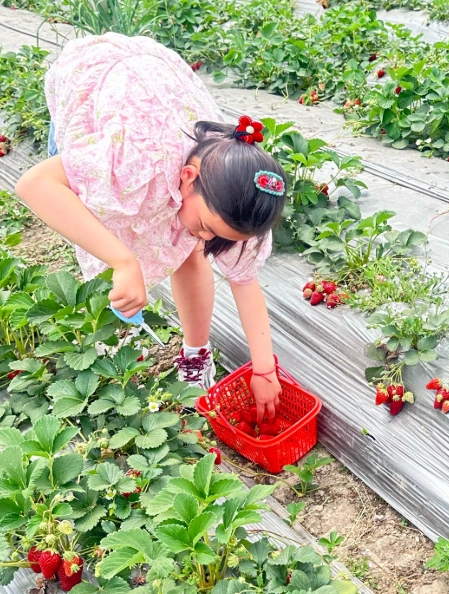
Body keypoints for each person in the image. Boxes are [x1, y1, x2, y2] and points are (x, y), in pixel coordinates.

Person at [14, 32, 286, 423]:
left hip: (160, 86)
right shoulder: (133, 159)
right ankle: (117, 328)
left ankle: (196, 356)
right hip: (93, 80)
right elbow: (34, 184)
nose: (210, 238)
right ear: (189, 177)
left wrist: (264, 369)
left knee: (188, 249)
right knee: (96, 211)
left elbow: (245, 281)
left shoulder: (242, 204)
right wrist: (124, 262)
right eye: (209, 226)